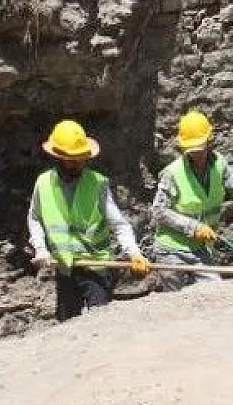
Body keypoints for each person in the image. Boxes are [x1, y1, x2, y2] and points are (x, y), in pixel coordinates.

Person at [26, 119, 152, 320]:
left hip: (96, 267)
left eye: (81, 158)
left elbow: (119, 225)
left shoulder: (98, 184)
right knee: (67, 325)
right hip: (65, 268)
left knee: (100, 323)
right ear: (58, 157)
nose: (78, 163)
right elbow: (35, 219)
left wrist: (134, 253)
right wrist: (41, 248)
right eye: (72, 159)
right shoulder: (43, 184)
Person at [150, 110, 233, 284]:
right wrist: (193, 227)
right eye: (191, 150)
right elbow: (159, 211)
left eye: (199, 148)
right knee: (176, 302)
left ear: (210, 141)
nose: (196, 154)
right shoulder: (172, 173)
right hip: (171, 250)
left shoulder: (219, 166)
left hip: (200, 248)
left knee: (214, 290)